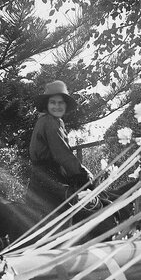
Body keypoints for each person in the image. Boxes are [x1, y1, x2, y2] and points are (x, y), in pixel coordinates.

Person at [25, 81, 92, 218]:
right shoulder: (50, 121)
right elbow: (61, 153)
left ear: (65, 106)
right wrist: (81, 174)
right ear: (46, 105)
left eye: (60, 103)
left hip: (42, 177)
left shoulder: (48, 120)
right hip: (49, 178)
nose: (57, 106)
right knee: (84, 207)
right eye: (53, 102)